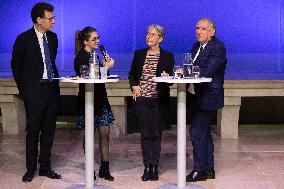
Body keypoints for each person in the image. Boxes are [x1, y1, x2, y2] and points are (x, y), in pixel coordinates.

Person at [11, 2, 61, 183]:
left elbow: (51, 63)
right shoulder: (23, 39)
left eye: (53, 18)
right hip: (34, 92)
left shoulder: (53, 38)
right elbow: (16, 67)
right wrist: (25, 91)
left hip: (51, 90)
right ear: (39, 20)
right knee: (33, 132)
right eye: (50, 18)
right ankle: (30, 169)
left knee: (49, 131)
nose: (53, 22)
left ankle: (45, 167)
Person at [128, 24, 175, 181]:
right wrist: (134, 86)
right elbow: (132, 75)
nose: (148, 37)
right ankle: (146, 166)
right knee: (145, 135)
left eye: (152, 34)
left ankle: (154, 166)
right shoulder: (139, 54)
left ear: (160, 39)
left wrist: (166, 76)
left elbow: (170, 81)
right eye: (147, 34)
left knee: (156, 135)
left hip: (158, 101)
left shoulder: (168, 56)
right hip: (142, 100)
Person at [186, 18, 227, 182]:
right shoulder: (196, 46)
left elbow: (207, 70)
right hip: (195, 94)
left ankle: (199, 170)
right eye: (197, 28)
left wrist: (187, 71)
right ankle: (209, 169)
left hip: (208, 96)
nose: (199, 32)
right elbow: (190, 67)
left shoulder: (218, 47)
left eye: (203, 29)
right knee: (204, 133)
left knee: (196, 132)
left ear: (212, 31)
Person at [74, 26, 115, 181]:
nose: (97, 41)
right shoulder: (81, 57)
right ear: (86, 41)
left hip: (101, 100)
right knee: (89, 135)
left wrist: (106, 67)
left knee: (105, 133)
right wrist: (104, 68)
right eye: (94, 39)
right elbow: (89, 79)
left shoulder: (96, 55)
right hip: (88, 101)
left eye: (98, 38)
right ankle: (89, 168)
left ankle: (105, 168)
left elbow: (102, 78)